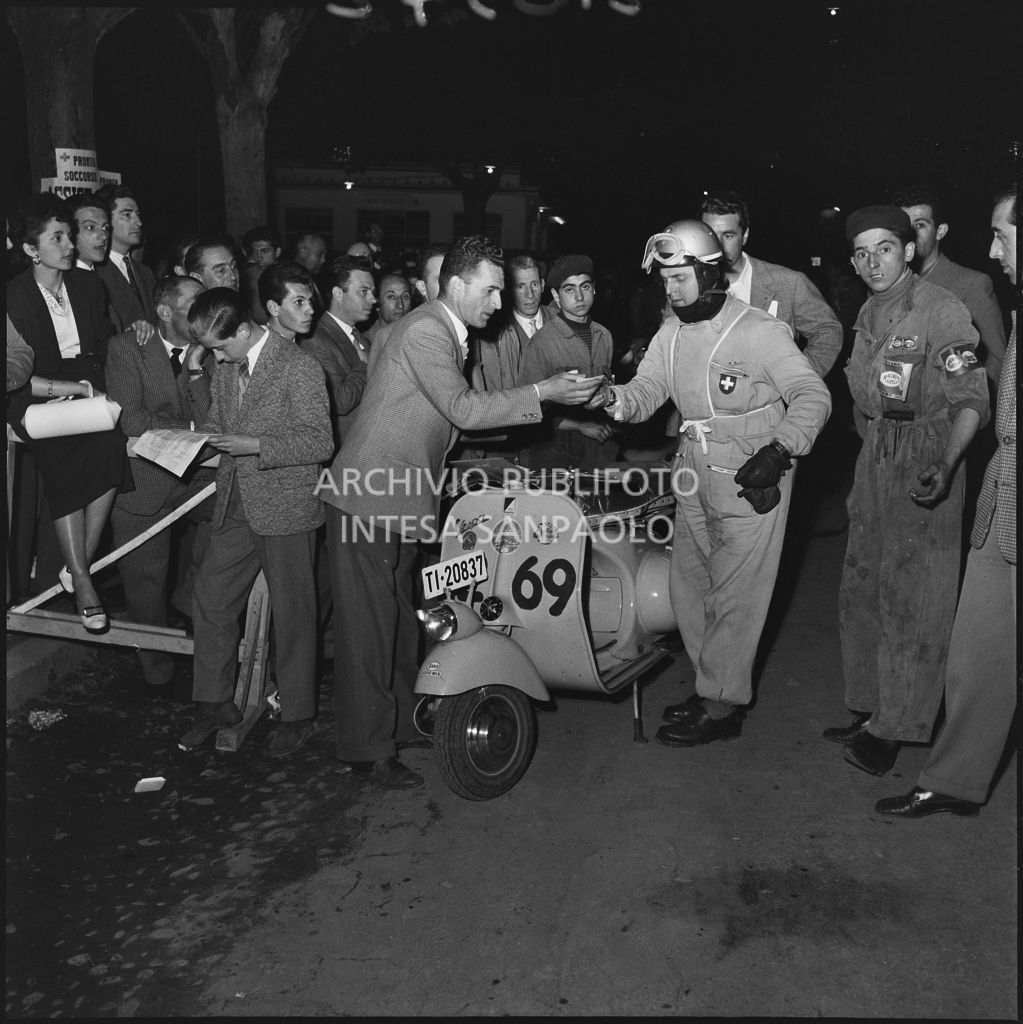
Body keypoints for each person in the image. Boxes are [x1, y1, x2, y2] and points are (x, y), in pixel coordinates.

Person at [318, 235, 602, 789]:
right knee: (368, 632)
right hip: (367, 498)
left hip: (398, 496)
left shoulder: (450, 333)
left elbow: (451, 424)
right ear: (455, 284)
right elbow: (464, 410)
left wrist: (535, 423)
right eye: (491, 290)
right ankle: (366, 750)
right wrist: (543, 393)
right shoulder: (427, 330)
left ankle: (402, 724)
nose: (499, 302)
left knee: (401, 622)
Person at [586, 220, 831, 746]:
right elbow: (646, 393)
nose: (671, 290)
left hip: (751, 476)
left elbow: (813, 395)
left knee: (735, 595)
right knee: (689, 588)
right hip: (694, 473)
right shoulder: (671, 333)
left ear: (709, 273)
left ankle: (722, 704)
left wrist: (780, 449)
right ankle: (712, 685)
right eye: (665, 280)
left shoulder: (759, 331)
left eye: (680, 278)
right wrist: (610, 398)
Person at [827, 205, 989, 776]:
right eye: (862, 253)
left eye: (885, 248)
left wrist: (945, 463)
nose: (873, 262)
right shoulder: (868, 312)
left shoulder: (941, 309)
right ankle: (872, 707)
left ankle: (898, 724)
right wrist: (869, 460)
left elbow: (971, 398)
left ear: (910, 250)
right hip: (878, 451)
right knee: (863, 585)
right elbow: (865, 394)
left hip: (926, 450)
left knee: (914, 595)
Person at [876, 185, 1016, 818]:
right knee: (979, 649)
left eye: (1002, 235)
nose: (994, 250)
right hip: (1003, 495)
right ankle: (955, 780)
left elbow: (984, 374)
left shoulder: (969, 290)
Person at [177, 288, 333, 757]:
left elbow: (320, 441)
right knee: (211, 597)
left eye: (221, 347)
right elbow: (215, 421)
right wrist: (184, 441)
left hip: (285, 504)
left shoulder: (299, 366)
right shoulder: (229, 366)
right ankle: (213, 704)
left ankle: (298, 715)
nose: (217, 357)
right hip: (236, 502)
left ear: (245, 331)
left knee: (293, 612)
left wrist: (256, 445)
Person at [5, 193, 128, 632]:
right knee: (63, 453)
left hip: (87, 387)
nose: (70, 244)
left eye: (68, 235)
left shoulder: (87, 286)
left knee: (110, 444)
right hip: (34, 393)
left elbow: (104, 347)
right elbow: (18, 374)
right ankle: (82, 578)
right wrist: (71, 390)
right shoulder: (14, 295)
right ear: (31, 249)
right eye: (57, 238)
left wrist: (96, 387)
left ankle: (77, 568)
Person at [105, 275, 214, 696]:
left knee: (234, 524)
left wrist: (197, 368)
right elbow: (130, 419)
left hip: (200, 479)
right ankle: (156, 668)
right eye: (195, 304)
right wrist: (191, 427)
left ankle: (187, 602)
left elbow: (216, 419)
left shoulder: (214, 349)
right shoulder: (127, 347)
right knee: (145, 583)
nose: (206, 313)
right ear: (165, 312)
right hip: (144, 481)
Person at [700, 190, 843, 378]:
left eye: (728, 236)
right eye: (711, 235)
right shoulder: (687, 285)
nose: (718, 246)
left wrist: (795, 381)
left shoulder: (788, 283)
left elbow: (828, 332)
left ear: (745, 235)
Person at [894, 185, 1007, 385]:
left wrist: (972, 401)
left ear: (940, 231)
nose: (910, 235)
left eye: (920, 225)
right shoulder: (889, 287)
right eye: (904, 227)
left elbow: (997, 361)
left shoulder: (971, 284)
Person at [518, 254, 619, 472]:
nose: (579, 297)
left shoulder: (604, 336)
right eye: (569, 290)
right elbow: (526, 406)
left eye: (585, 287)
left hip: (600, 450)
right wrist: (580, 425)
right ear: (556, 295)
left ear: (594, 289)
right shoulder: (542, 343)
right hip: (556, 454)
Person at [300, 256, 374, 447]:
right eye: (363, 292)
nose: (373, 299)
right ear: (338, 293)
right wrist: (364, 365)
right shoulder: (315, 340)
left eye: (372, 292)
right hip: (345, 450)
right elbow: (339, 402)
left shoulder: (360, 337)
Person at [471, 253, 551, 392]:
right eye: (520, 286)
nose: (530, 294)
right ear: (509, 290)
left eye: (534, 284)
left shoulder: (560, 321)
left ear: (543, 285)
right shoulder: (492, 333)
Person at [93, 185, 158, 334]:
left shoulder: (145, 272)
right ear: (105, 220)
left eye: (138, 215)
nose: (138, 222)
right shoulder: (94, 272)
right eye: (127, 215)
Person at [241, 225, 281, 325]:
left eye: (264, 251)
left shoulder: (286, 275)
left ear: (277, 252)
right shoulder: (248, 274)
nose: (259, 256)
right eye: (255, 252)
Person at [364, 272, 411, 348]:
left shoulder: (419, 337)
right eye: (392, 297)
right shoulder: (365, 343)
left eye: (405, 296)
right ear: (377, 301)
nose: (400, 305)